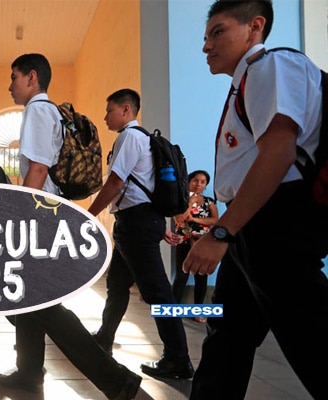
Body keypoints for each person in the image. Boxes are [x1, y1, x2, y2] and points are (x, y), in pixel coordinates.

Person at [184, 1, 328, 399]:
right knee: (228, 334)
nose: (207, 46)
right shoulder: (248, 81)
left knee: (311, 336)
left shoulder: (270, 65)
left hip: (276, 221)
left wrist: (223, 231)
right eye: (206, 37)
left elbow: (278, 154)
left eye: (218, 32)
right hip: (255, 222)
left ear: (255, 27)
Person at [0, 53, 142, 400]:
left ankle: (117, 379)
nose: (10, 85)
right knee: (28, 300)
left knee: (43, 306)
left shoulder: (37, 111)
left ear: (31, 77)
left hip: (38, 216)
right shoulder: (51, 112)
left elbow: (38, 170)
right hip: (49, 212)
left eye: (14, 77)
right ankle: (29, 372)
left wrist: (17, 216)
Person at [87, 88, 194, 380]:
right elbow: (142, 188)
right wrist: (157, 227)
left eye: (109, 110)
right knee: (117, 284)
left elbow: (116, 183)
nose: (105, 117)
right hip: (137, 222)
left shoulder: (130, 137)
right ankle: (105, 336)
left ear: (126, 109)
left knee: (158, 293)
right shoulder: (139, 138)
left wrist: (89, 213)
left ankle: (178, 359)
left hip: (136, 224)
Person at [170, 170, 218, 322]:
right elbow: (179, 219)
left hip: (202, 243)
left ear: (206, 185)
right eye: (195, 180)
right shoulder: (180, 201)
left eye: (203, 182)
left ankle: (198, 312)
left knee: (201, 276)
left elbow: (215, 220)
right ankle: (173, 312)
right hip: (184, 241)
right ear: (189, 182)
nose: (198, 184)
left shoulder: (209, 202)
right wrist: (190, 203)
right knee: (181, 276)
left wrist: (195, 220)